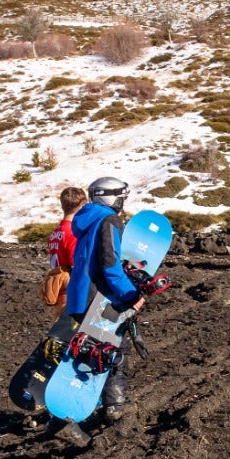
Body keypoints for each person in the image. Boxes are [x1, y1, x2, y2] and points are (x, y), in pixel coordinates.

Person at [56, 175, 150, 445]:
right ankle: (72, 417)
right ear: (111, 197)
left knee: (97, 351)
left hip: (79, 295)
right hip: (96, 297)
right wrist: (131, 295)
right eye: (121, 196)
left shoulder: (87, 219)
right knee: (106, 351)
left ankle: (110, 405)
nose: (123, 202)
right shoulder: (109, 220)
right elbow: (110, 265)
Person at [40, 187, 86, 316]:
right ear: (82, 206)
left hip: (57, 283)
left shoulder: (56, 232)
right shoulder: (73, 232)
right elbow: (75, 264)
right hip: (69, 288)